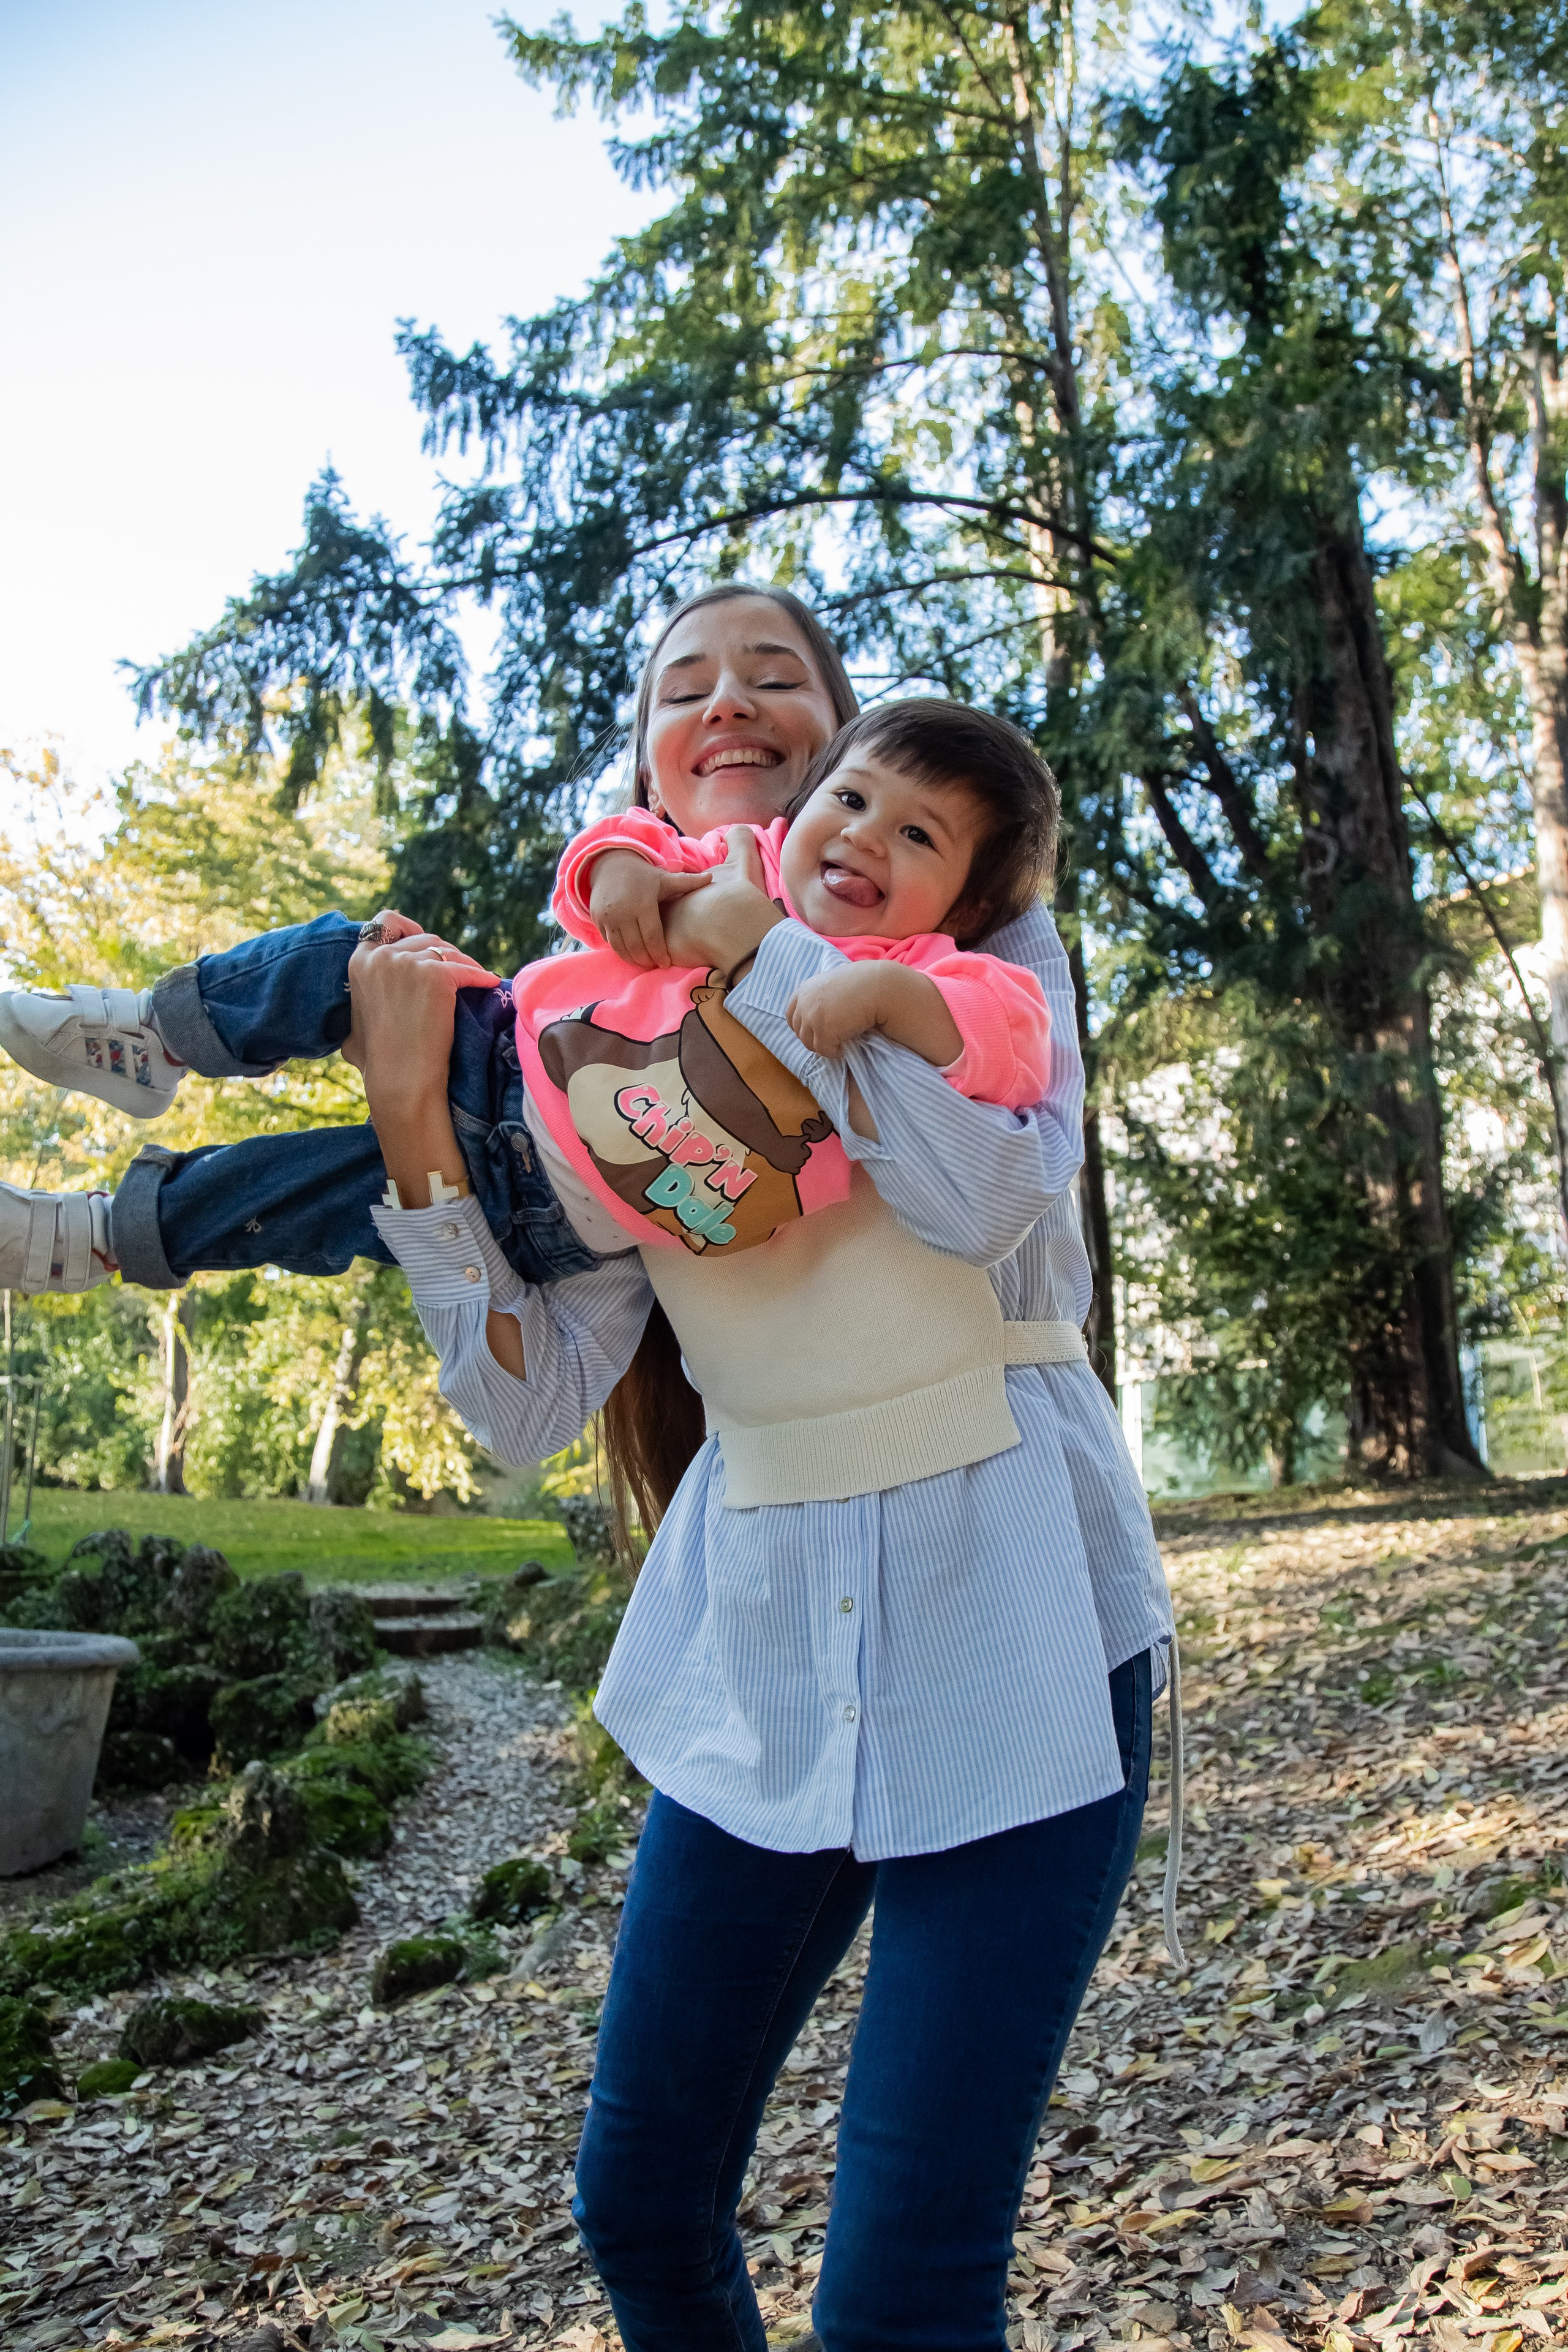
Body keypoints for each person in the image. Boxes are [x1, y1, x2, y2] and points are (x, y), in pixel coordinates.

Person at [341, 592, 1177, 2352]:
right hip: (756, 1654)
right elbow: (527, 1406)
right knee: (639, 2201)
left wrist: (764, 953)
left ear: (853, 761)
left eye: (777, 681)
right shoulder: (601, 1045)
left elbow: (980, 1201)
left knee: (903, 2287)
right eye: (682, 687)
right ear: (648, 766)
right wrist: (418, 1120)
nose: (728, 706)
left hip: (1014, 1645)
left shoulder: (987, 961)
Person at [0, 680, 1052, 1291]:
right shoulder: (744, 858)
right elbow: (609, 856)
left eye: (917, 834)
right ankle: (158, 1037)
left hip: (551, 1211)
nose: (867, 835)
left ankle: (97, 1235)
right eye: (854, 798)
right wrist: (626, 869)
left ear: (963, 909)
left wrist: (883, 1001)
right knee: (354, 953)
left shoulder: (935, 969)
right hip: (498, 1046)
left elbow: (1009, 1045)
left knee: (302, 1192)